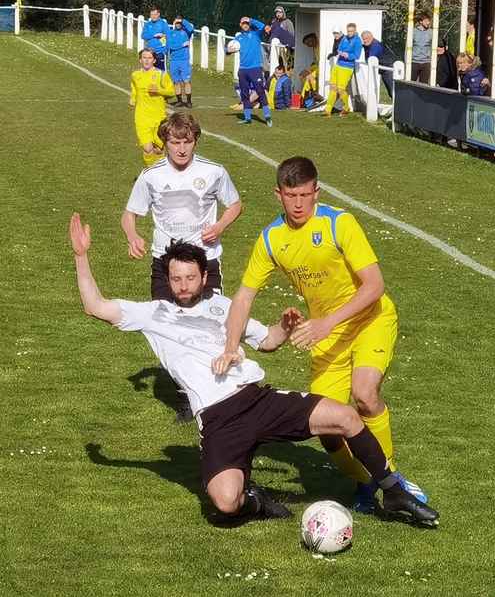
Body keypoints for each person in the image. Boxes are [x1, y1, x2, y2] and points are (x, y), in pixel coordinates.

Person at [70, 214, 439, 526]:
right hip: (218, 421)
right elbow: (95, 306)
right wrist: (81, 256)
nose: (182, 286)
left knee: (345, 416)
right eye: (176, 279)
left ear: (204, 276)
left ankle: (392, 492)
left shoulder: (224, 306)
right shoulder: (153, 315)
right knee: (225, 503)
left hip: (257, 399)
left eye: (190, 277)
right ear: (168, 279)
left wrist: (285, 324)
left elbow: (268, 342)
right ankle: (256, 501)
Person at [213, 156, 428, 514]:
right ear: (278, 194)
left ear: (317, 192)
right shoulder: (271, 239)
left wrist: (328, 322)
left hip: (369, 319)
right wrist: (232, 347)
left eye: (305, 195)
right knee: (327, 427)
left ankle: (392, 481)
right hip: (325, 335)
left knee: (364, 394)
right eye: (290, 195)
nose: (298, 204)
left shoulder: (339, 223)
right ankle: (364, 481)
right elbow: (244, 296)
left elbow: (375, 286)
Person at [121, 112, 242, 302]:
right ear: (165, 143)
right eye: (175, 143)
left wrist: (220, 226)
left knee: (209, 326)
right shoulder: (151, 176)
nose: (182, 149)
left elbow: (235, 204)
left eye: (188, 142)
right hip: (165, 261)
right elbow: (130, 214)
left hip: (205, 259)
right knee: (165, 326)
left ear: (196, 141)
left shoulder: (214, 172)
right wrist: (132, 236)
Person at [129, 48, 175, 167]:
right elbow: (134, 88)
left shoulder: (161, 75)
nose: (146, 60)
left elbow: (172, 92)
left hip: (159, 118)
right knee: (148, 149)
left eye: (149, 58)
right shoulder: (135, 75)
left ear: (154, 60)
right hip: (142, 117)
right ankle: (151, 174)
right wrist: (133, 99)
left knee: (158, 150)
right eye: (144, 57)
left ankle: (160, 173)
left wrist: (159, 90)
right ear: (140, 60)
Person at [229, 16, 273, 127]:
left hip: (255, 69)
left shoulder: (256, 34)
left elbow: (263, 27)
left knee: (260, 91)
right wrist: (228, 50)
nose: (245, 25)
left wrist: (251, 19)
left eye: (247, 23)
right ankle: (247, 118)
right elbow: (229, 49)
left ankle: (267, 116)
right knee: (244, 94)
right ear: (240, 25)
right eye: (243, 23)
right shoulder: (238, 39)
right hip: (243, 70)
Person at [324, 23, 362, 117]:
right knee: (333, 87)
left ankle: (346, 107)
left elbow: (357, 55)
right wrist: (339, 52)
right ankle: (327, 110)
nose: (349, 33)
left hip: (347, 67)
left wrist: (348, 55)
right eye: (348, 31)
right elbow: (339, 48)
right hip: (338, 65)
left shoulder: (357, 41)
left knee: (340, 89)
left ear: (355, 30)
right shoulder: (344, 38)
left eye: (351, 31)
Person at [167, 16, 195, 108]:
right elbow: (170, 46)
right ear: (174, 23)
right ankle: (179, 100)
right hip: (174, 61)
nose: (178, 24)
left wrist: (183, 20)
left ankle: (189, 101)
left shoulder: (186, 32)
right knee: (176, 82)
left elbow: (191, 28)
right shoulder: (170, 33)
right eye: (177, 22)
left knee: (186, 81)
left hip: (184, 61)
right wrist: (182, 45)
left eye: (180, 23)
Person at [361, 30, 396, 98]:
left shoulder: (376, 45)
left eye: (366, 38)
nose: (365, 41)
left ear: (371, 37)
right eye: (363, 39)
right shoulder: (368, 45)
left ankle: (398, 107)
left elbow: (371, 59)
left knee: (392, 91)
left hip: (389, 69)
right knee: (390, 91)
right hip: (384, 70)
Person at [140, 6, 170, 70]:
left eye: (155, 14)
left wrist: (165, 51)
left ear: (158, 14)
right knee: (149, 72)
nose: (153, 16)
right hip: (149, 53)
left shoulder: (163, 24)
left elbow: (169, 37)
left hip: (160, 53)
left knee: (160, 73)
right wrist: (154, 35)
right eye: (151, 14)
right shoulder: (148, 24)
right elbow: (143, 35)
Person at [411, 13, 432, 83]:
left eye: (429, 21)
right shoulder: (413, 32)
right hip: (414, 62)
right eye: (426, 21)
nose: (428, 23)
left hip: (426, 62)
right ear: (420, 21)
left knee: (424, 85)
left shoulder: (431, 32)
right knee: (411, 83)